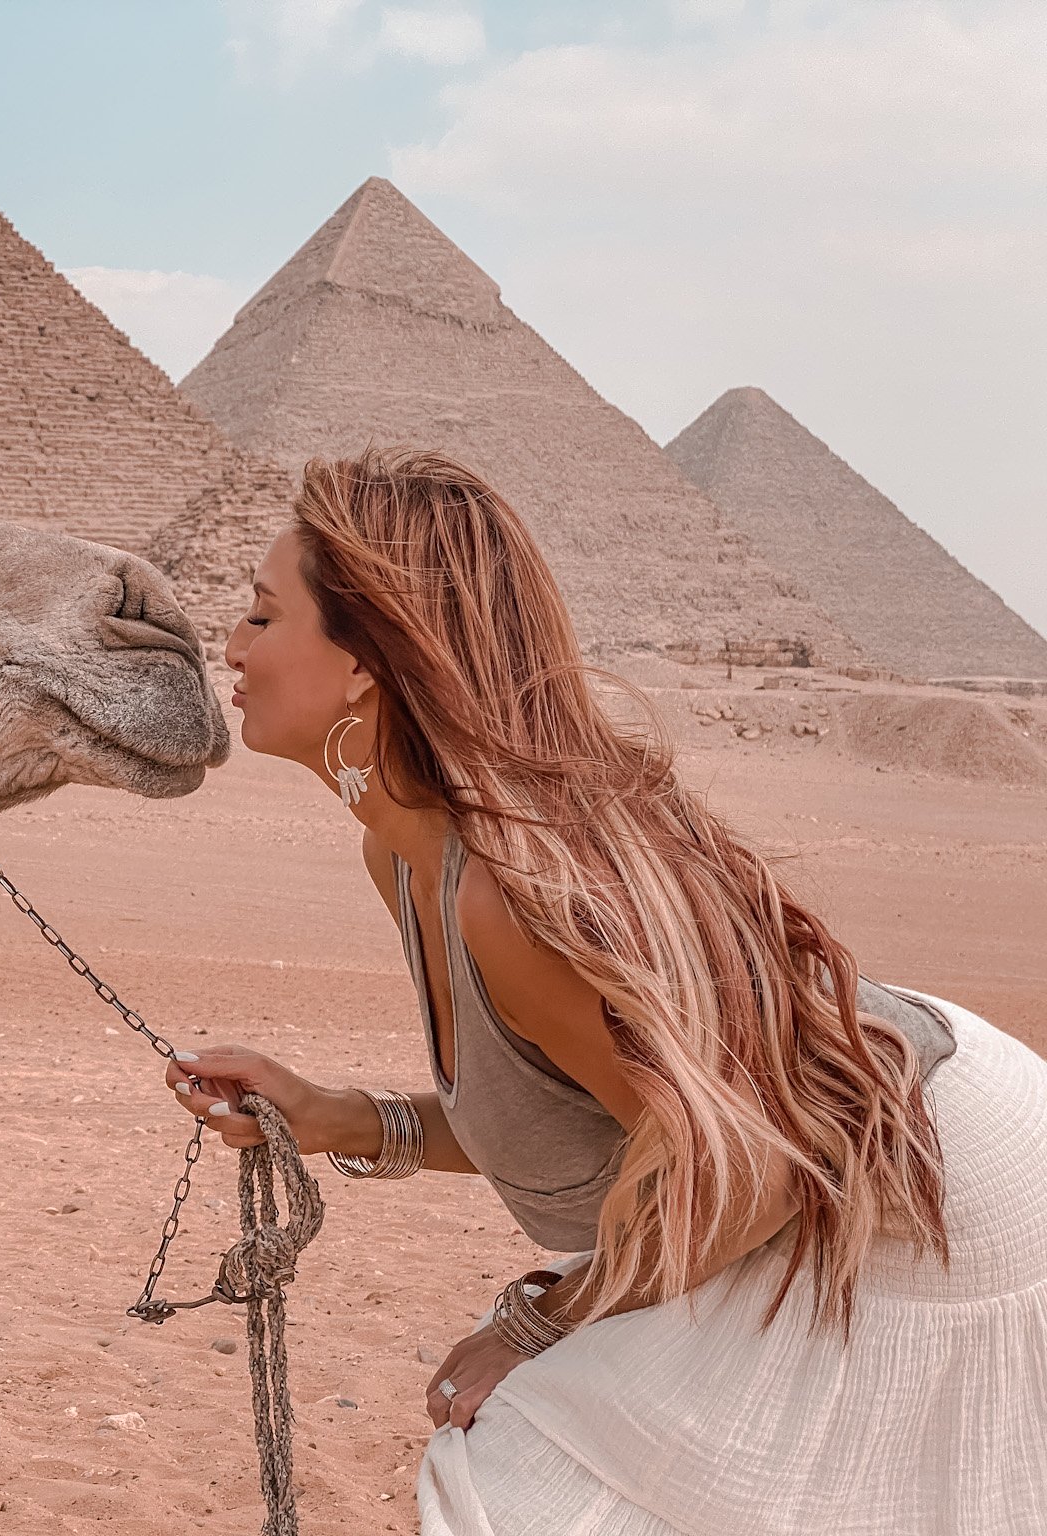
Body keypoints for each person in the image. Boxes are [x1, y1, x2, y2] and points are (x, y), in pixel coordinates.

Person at [164, 449, 1047, 1534]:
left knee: (513, 1475)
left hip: (924, 1178)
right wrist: (337, 1117)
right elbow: (576, 1112)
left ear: (363, 661)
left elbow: (742, 1170)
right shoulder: (401, 855)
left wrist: (535, 1324)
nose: (230, 644)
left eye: (260, 615)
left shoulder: (504, 887)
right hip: (798, 1162)